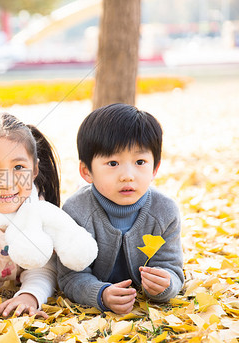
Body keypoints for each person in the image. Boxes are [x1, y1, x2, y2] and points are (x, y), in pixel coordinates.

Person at [0, 113, 97, 317]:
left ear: (35, 169)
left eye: (19, 167)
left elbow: (43, 267)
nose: (7, 182)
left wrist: (30, 296)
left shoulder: (33, 204)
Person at [58, 103, 184, 315]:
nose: (128, 175)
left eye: (140, 161)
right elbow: (70, 276)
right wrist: (101, 294)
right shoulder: (76, 212)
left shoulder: (165, 212)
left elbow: (171, 267)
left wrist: (165, 284)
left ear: (155, 168)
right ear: (86, 171)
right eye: (113, 163)